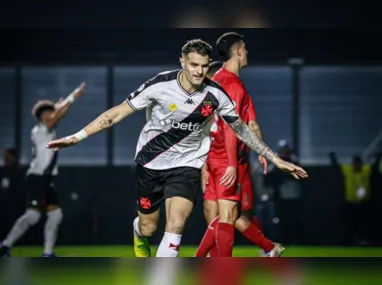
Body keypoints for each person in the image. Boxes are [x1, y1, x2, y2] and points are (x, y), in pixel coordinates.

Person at [46, 39, 308, 258]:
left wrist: (274, 158)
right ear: (181, 62)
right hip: (150, 164)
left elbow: (241, 129)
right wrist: (77, 137)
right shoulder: (159, 85)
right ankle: (139, 234)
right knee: (149, 227)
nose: (199, 71)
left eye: (204, 66)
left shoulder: (216, 95)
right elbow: (114, 115)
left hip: (186, 166)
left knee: (176, 224)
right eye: (193, 65)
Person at [196, 32, 282, 258]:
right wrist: (230, 164)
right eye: (244, 47)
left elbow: (249, 123)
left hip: (216, 157)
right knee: (226, 216)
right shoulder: (234, 86)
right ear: (237, 51)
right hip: (227, 159)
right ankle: (225, 268)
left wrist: (260, 149)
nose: (247, 52)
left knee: (222, 215)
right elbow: (229, 127)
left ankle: (206, 261)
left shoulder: (219, 82)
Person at [0, 83, 86, 257]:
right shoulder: (39, 130)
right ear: (42, 116)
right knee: (32, 217)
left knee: (55, 215)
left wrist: (62, 104)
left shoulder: (48, 130)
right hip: (37, 178)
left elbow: (59, 114)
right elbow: (57, 116)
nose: (52, 114)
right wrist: (73, 96)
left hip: (46, 179)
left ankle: (47, 252)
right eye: (49, 112)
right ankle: (5, 245)